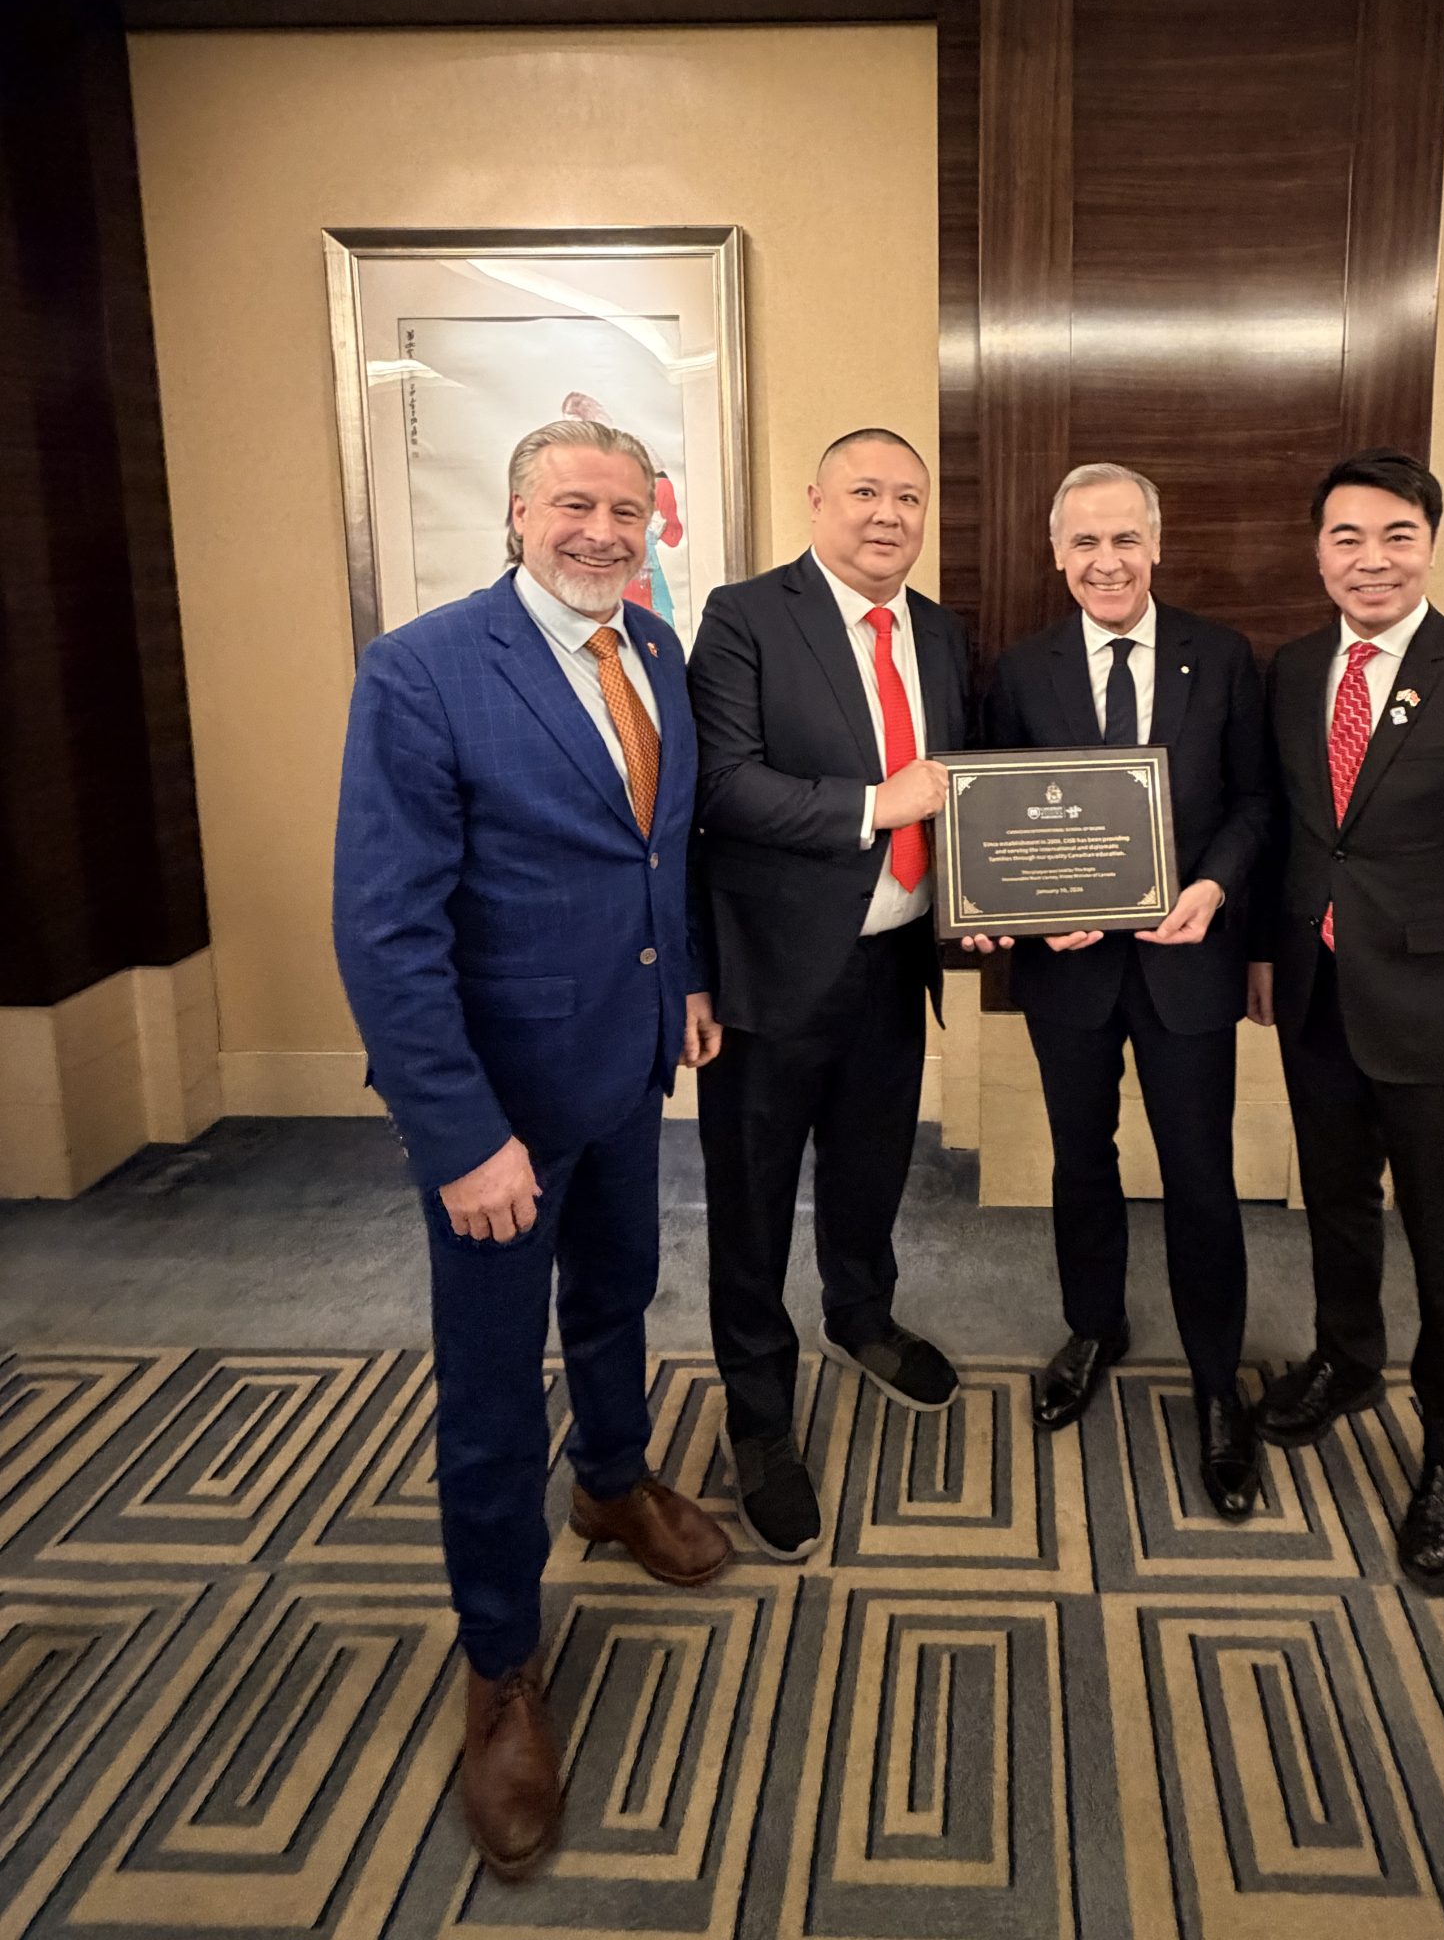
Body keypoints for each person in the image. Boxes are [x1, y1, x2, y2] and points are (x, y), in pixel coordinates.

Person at [334, 418, 729, 1882]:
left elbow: (660, 851)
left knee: (618, 1292)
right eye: (574, 504)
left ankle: (612, 1480)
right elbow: (384, 930)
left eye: (627, 508)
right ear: (515, 515)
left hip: (625, 1068)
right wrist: (460, 1135)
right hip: (496, 1114)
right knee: (493, 1390)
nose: (603, 531)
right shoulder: (424, 671)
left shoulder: (656, 650)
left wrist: (686, 988)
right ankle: (499, 1659)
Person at [1248, 448, 1444, 1593]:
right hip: (1317, 994)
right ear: (1318, 550)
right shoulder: (1293, 670)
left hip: (1438, 1010)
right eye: (1347, 537)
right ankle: (1347, 1359)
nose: (1371, 559)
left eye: (1396, 536)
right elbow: (1292, 832)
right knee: (1335, 1202)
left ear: (1429, 544)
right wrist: (1266, 954)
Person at [688, 428, 971, 1559]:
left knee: (871, 1165)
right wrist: (875, 805)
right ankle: (759, 1415)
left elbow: (966, 787)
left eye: (908, 497)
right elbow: (724, 785)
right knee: (753, 1202)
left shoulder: (942, 631)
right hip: (772, 971)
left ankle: (861, 1314)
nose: (888, 514)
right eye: (865, 491)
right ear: (816, 501)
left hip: (895, 962)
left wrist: (990, 890)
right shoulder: (746, 616)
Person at [974, 463, 1270, 1519]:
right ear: (1056, 554)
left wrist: (1213, 885)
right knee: (1081, 1161)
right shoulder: (1022, 668)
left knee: (1200, 1173)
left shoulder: (1221, 656)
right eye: (1085, 543)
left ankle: (1217, 1379)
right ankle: (1095, 1326)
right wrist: (1027, 909)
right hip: (1071, 970)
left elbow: (1255, 802)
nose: (1107, 561)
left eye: (1125, 539)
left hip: (1189, 961)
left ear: (1157, 544)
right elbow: (994, 816)